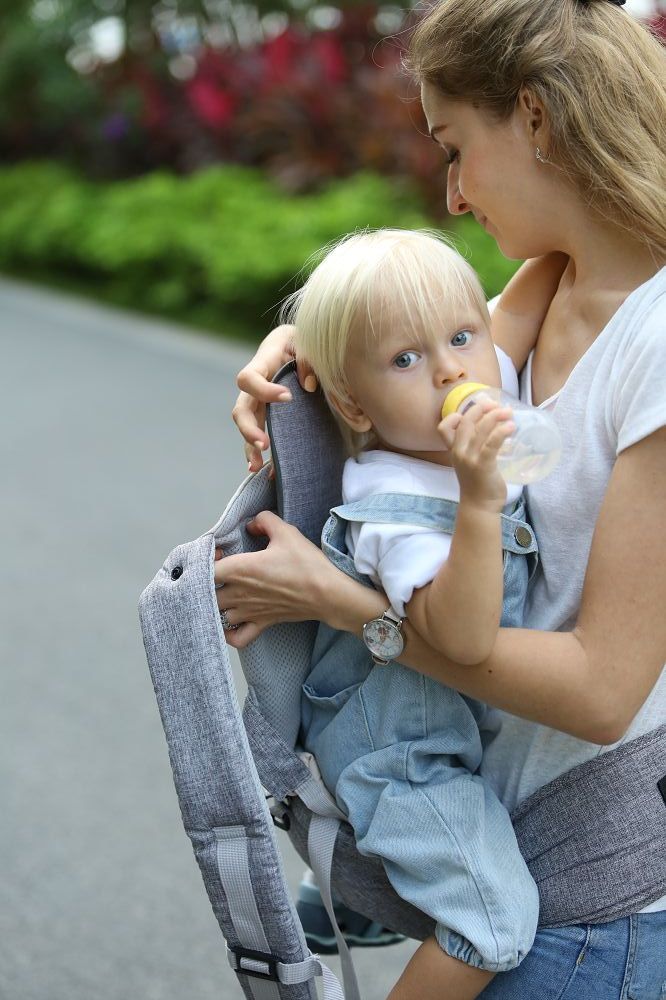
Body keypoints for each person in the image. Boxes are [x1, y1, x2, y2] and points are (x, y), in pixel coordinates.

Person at [217, 0, 666, 997]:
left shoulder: (656, 337)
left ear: (538, 119)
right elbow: (407, 368)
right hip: (499, 825)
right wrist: (296, 354)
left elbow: (602, 692)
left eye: (455, 148)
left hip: (594, 904)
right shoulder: (556, 280)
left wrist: (346, 608)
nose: (453, 197)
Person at [282, 227, 558, 999]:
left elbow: (555, 260)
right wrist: (478, 499)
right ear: (353, 404)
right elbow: (464, 642)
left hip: (457, 729)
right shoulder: (390, 510)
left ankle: (351, 890)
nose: (450, 371)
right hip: (399, 755)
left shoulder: (473, 378)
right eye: (405, 359)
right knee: (494, 922)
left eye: (463, 336)